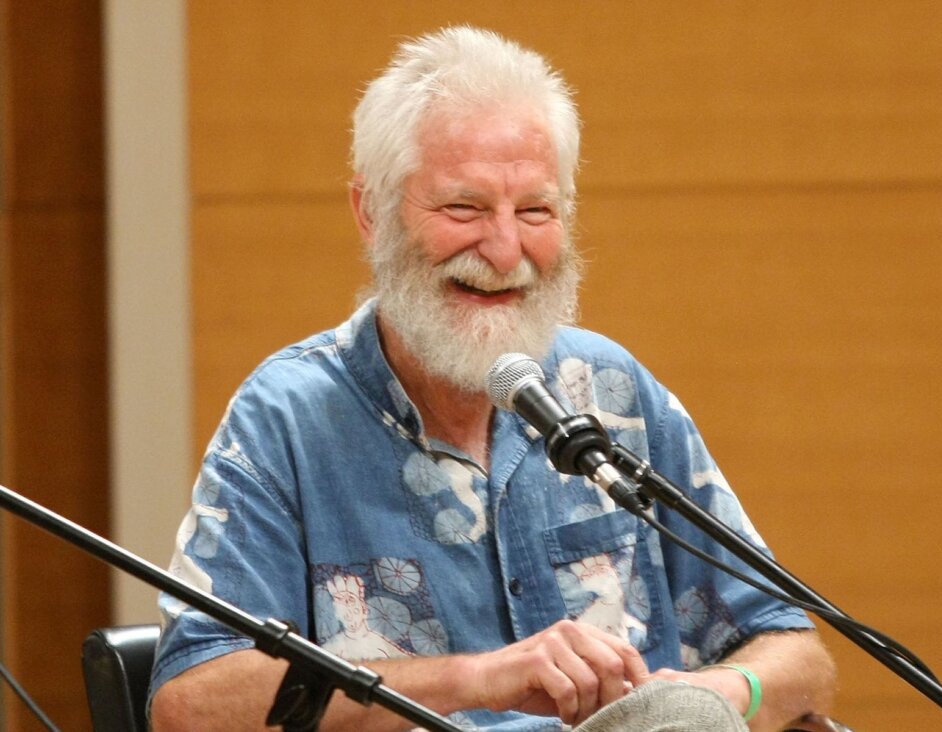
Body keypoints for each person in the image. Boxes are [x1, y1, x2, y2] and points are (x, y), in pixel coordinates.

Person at [148, 26, 836, 731]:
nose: (506, 250)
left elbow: (799, 656)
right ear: (372, 214)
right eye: (464, 208)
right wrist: (477, 679)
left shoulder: (609, 392)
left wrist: (717, 698)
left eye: (534, 210)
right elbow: (193, 704)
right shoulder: (288, 419)